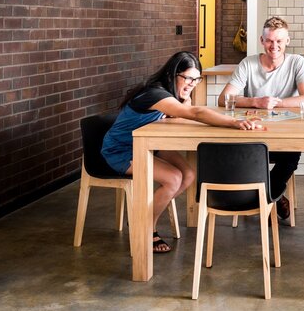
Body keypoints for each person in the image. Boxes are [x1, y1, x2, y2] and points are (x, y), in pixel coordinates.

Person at [101, 51, 264, 253]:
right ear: (172, 74)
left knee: (188, 175)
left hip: (148, 143)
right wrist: (234, 122)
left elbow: (183, 111)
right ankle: (145, 226)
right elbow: (194, 113)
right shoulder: (156, 94)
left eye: (196, 79)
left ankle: (145, 213)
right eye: (188, 78)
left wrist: (185, 95)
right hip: (121, 151)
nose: (192, 83)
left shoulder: (169, 94)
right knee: (174, 179)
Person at [218, 16, 304, 220]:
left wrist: (275, 103)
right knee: (242, 153)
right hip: (252, 134)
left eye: (279, 41)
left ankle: (264, 196)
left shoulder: (297, 62)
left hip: (284, 136)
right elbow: (223, 99)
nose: (274, 46)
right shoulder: (248, 63)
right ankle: (274, 197)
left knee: (292, 152)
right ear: (262, 41)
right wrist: (256, 102)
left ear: (287, 41)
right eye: (269, 40)